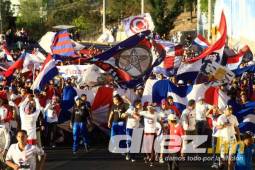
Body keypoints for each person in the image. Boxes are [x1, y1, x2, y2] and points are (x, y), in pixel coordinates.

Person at [217, 105, 240, 170]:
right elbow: (217, 127)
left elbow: (236, 128)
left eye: (231, 109)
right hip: (223, 140)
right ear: (224, 110)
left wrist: (239, 138)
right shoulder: (221, 117)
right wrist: (223, 125)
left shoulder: (234, 117)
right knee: (223, 158)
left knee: (231, 159)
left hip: (232, 140)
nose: (230, 111)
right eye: (228, 109)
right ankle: (222, 165)